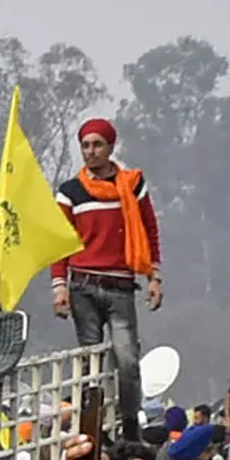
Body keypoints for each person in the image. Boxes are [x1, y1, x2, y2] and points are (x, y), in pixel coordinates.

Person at [52, 118, 162, 433]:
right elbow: (59, 243)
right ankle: (93, 429)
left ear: (111, 147)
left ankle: (130, 427)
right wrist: (59, 287)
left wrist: (155, 276)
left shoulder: (133, 185)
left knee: (127, 360)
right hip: (82, 287)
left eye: (98, 144)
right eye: (85, 145)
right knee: (90, 366)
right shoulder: (69, 192)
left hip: (121, 287)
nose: (91, 151)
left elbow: (149, 230)